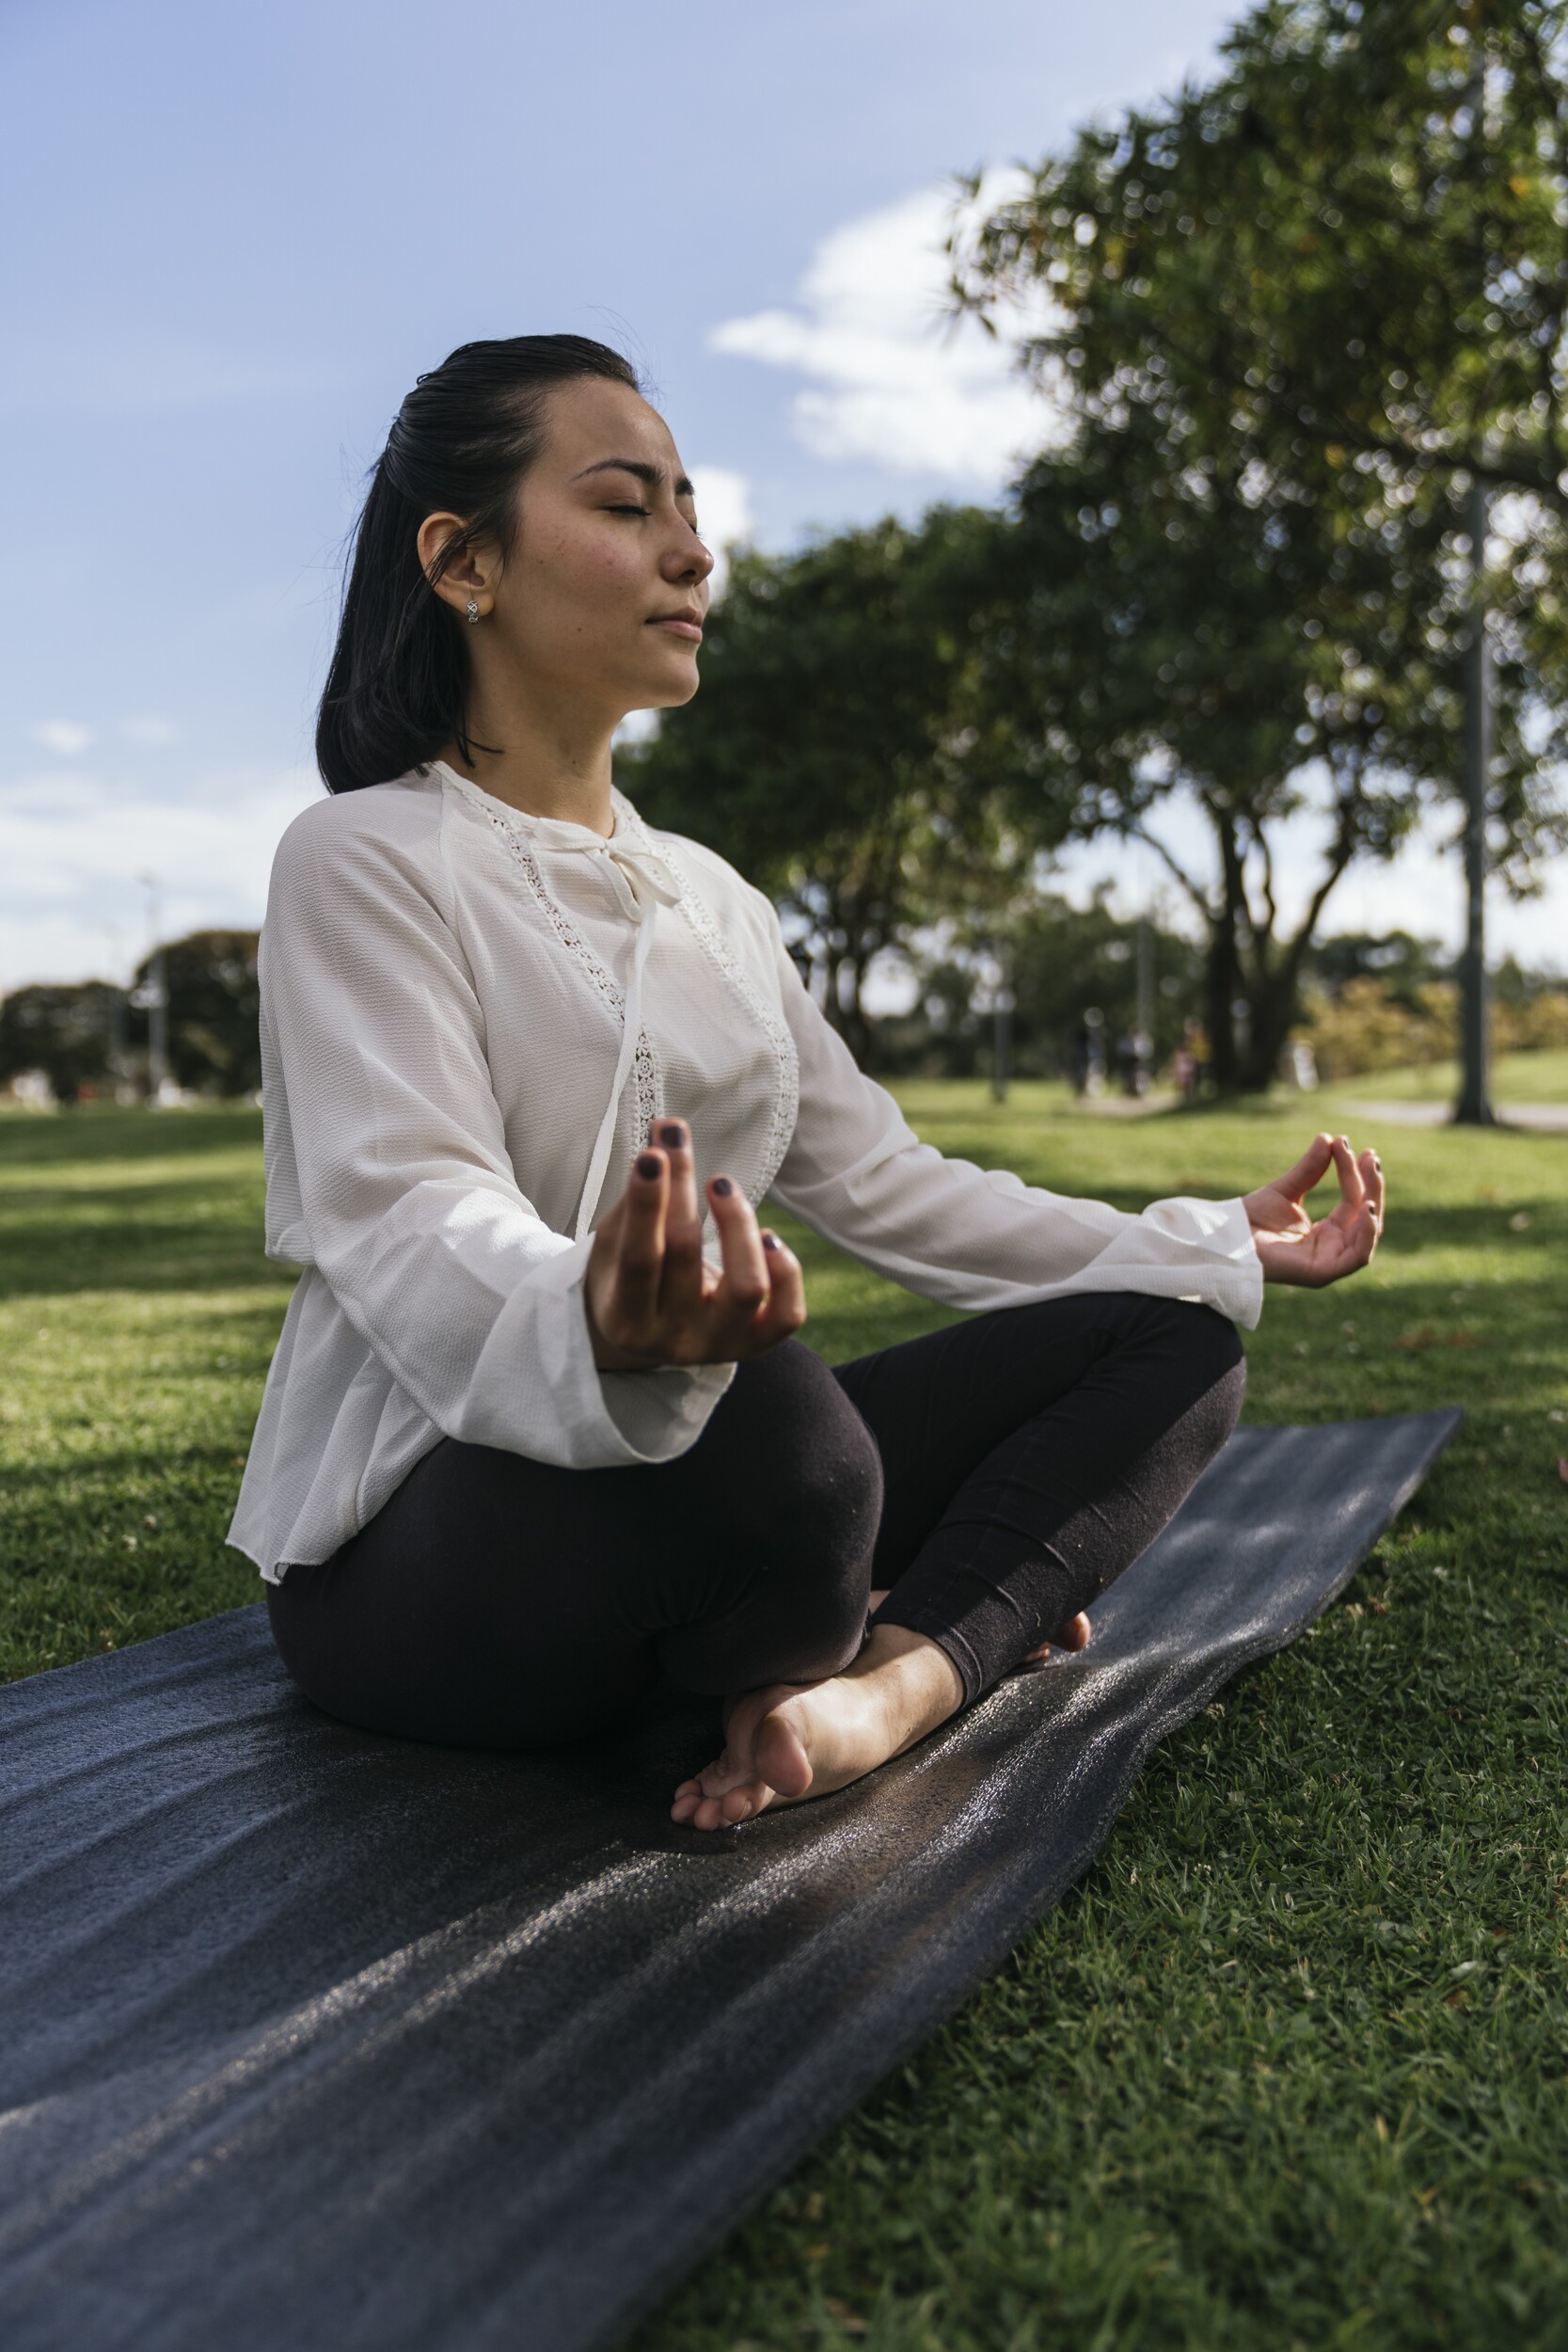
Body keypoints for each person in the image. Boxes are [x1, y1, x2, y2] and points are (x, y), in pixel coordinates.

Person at [231, 335, 1385, 1834]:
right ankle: (837, 1610)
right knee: (779, 1426)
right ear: (464, 561)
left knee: (1174, 1341)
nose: (692, 550)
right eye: (628, 505)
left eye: (691, 506)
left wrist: (1214, 1239)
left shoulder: (717, 899)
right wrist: (588, 1319)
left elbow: (895, 1189)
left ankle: (892, 1678)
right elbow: (405, 1205)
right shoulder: (364, 857)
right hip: (428, 1565)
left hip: (712, 1500)